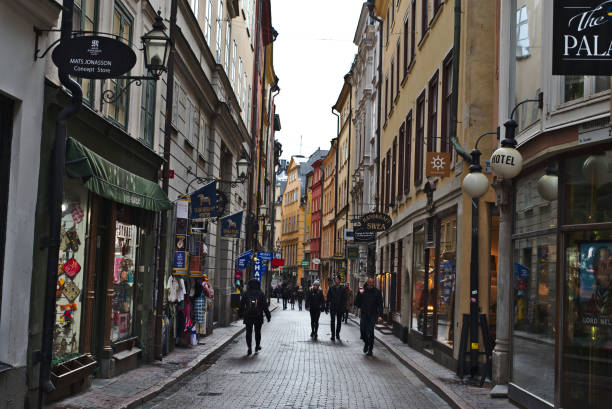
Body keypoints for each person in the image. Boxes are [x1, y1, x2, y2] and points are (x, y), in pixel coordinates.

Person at [239, 278, 271, 356]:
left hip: (248, 315)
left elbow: (242, 305)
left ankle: (249, 347)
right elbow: (265, 306)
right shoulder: (261, 294)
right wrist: (268, 316)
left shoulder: (246, 293)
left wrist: (240, 314)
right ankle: (257, 346)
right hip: (258, 315)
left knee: (248, 332)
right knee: (257, 332)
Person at [355, 276, 383, 356]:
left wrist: (380, 315)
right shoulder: (362, 291)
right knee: (363, 330)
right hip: (364, 314)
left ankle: (370, 349)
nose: (371, 284)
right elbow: (357, 302)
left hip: (373, 314)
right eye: (369, 282)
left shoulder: (377, 292)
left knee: (370, 330)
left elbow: (380, 304)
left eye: (372, 282)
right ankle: (366, 343)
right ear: (367, 283)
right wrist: (360, 293)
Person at [326, 275, 347, 341]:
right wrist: (327, 306)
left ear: (339, 280)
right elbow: (328, 298)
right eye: (335, 279)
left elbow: (344, 299)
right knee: (332, 321)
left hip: (340, 307)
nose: (336, 280)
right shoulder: (331, 288)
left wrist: (344, 307)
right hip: (333, 307)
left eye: (337, 279)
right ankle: (333, 334)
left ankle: (337, 333)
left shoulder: (343, 289)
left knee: (339, 321)